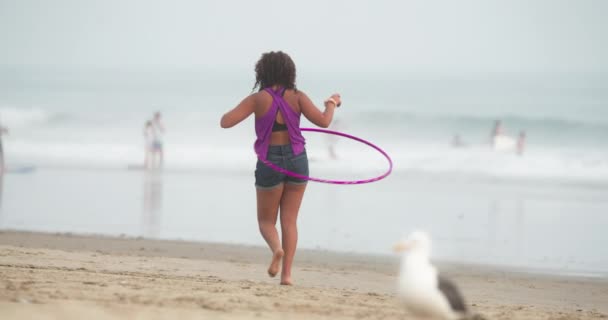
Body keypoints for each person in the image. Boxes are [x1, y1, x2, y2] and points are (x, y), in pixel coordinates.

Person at [220, 51, 341, 285]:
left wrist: (243, 108)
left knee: (266, 222)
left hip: (270, 160)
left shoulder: (258, 99)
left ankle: (276, 248)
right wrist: (331, 103)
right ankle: (286, 275)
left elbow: (226, 122)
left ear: (262, 73)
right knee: (290, 221)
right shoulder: (298, 97)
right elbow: (325, 121)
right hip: (297, 159)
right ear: (289, 73)